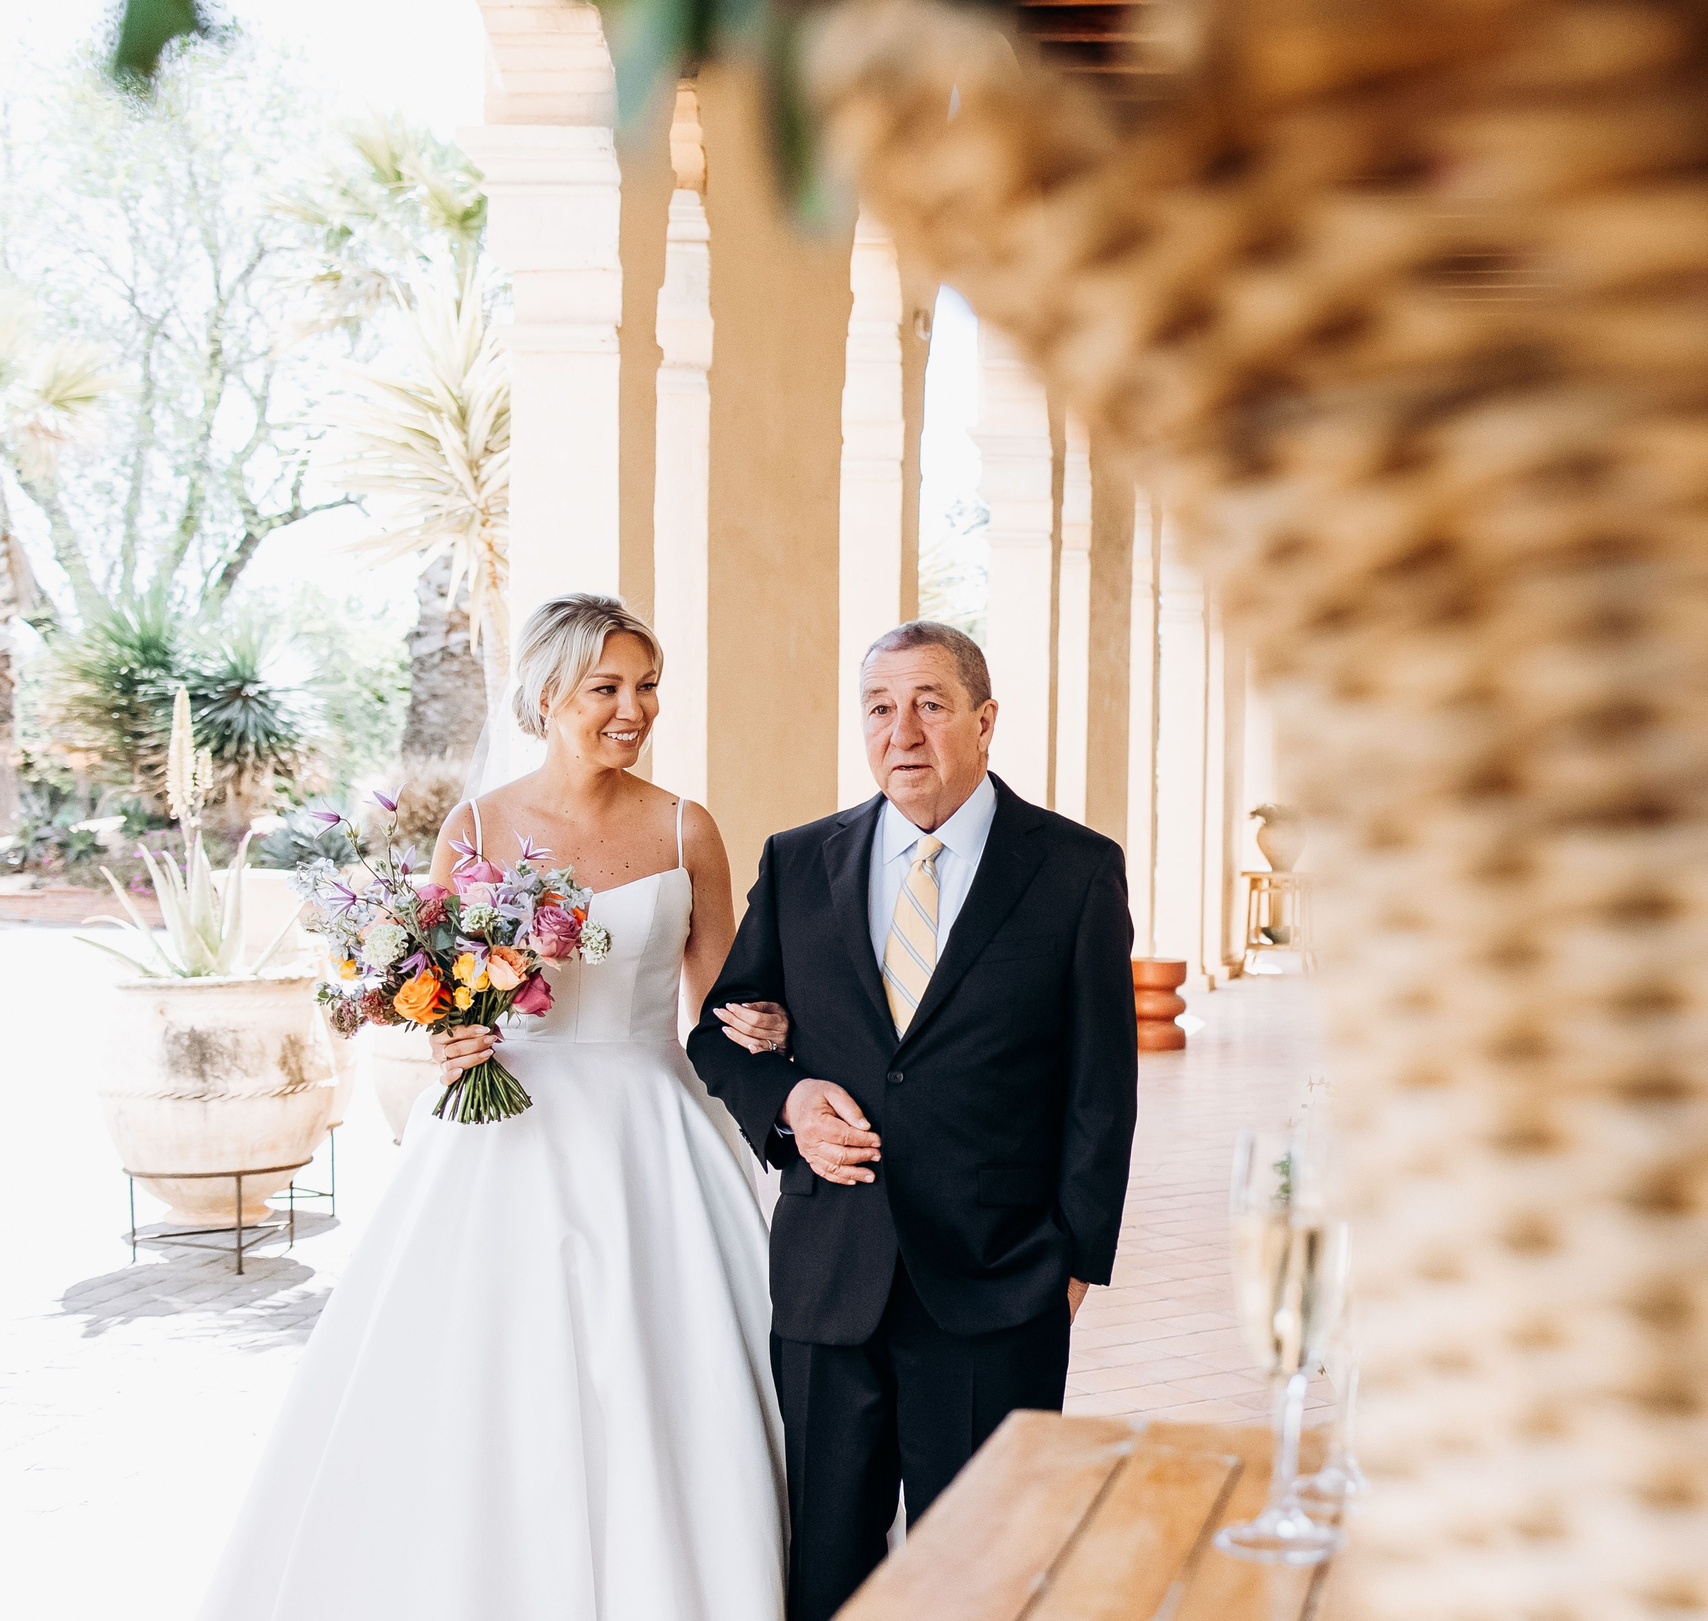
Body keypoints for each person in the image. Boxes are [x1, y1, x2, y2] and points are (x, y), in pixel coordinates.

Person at [198, 594, 798, 1621]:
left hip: (654, 1134)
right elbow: (441, 987)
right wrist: (450, 1034)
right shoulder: (477, 826)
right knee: (489, 1376)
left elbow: (723, 1000)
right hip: (504, 1132)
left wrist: (774, 1032)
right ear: (549, 694)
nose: (634, 708)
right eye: (607, 687)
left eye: (646, 685)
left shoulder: (683, 826)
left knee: (668, 1374)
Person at [688, 619, 1140, 1621]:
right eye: (881, 708)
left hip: (996, 1282)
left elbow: (1100, 1088)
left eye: (931, 704)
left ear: (984, 721)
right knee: (827, 1573)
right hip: (828, 1280)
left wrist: (1070, 1265)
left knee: (983, 1572)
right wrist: (790, 1104)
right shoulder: (799, 861)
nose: (904, 732)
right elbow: (717, 1039)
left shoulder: (1072, 871)